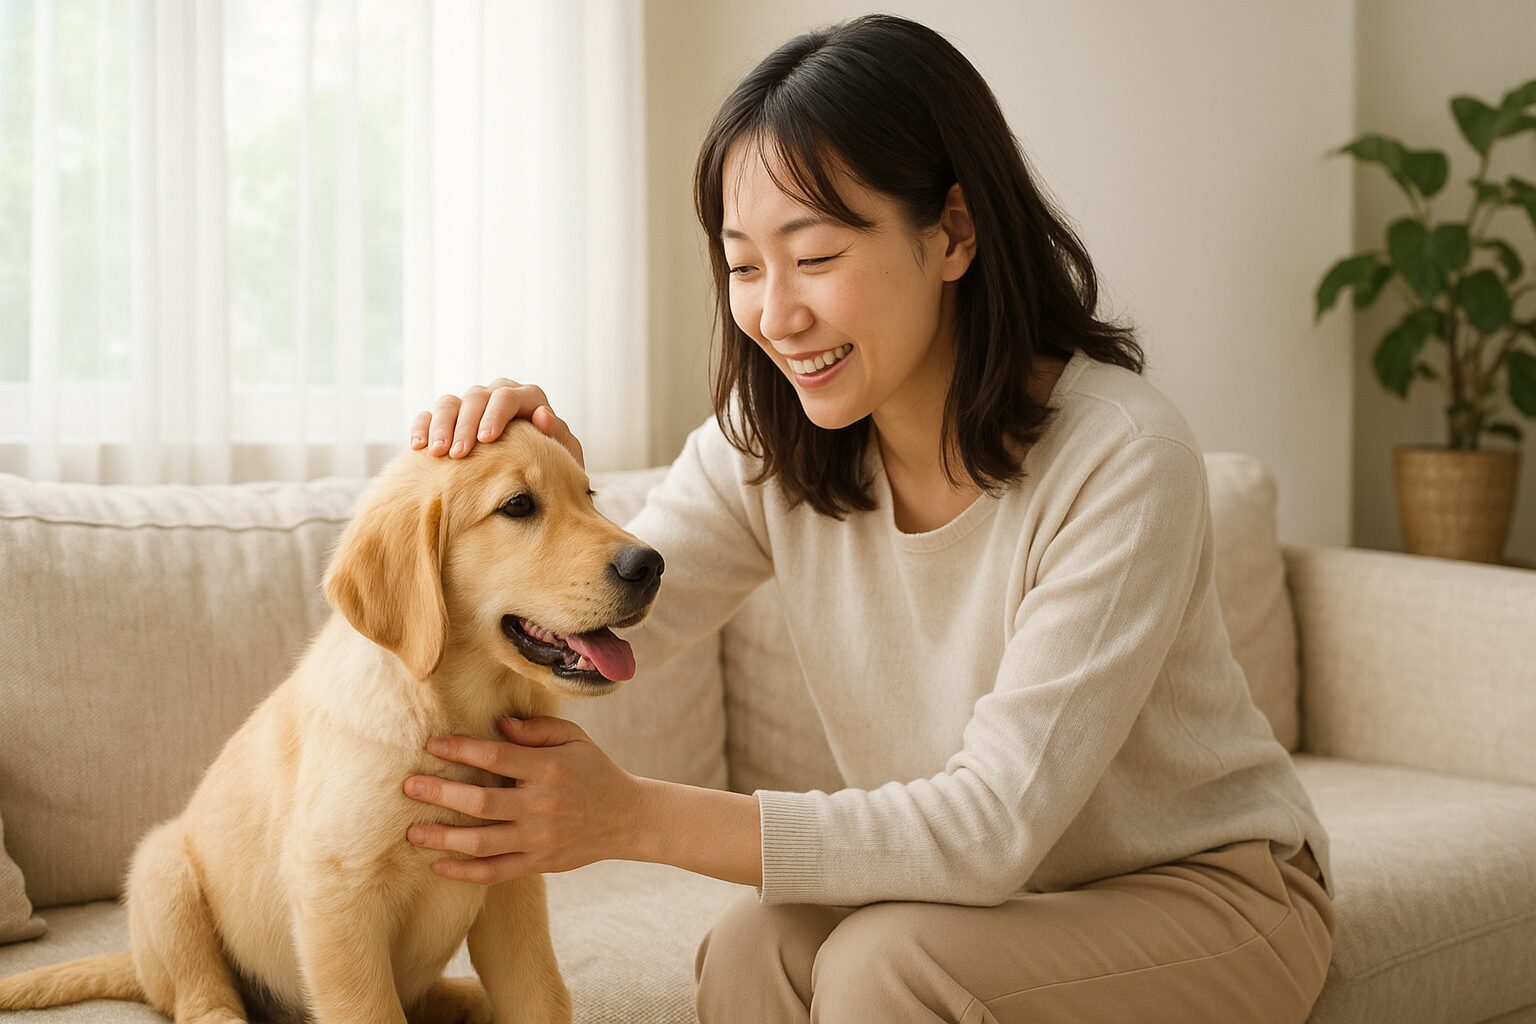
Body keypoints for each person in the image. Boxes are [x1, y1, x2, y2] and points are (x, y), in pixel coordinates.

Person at [397, 13, 1337, 1023]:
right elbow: (614, 622)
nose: (775, 313)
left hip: (1217, 894)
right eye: (744, 265)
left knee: (890, 962)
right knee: (752, 946)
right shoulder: (770, 443)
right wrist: (541, 495)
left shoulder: (1120, 457)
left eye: (814, 255)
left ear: (953, 233)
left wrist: (632, 818)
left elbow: (991, 827)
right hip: (992, 900)